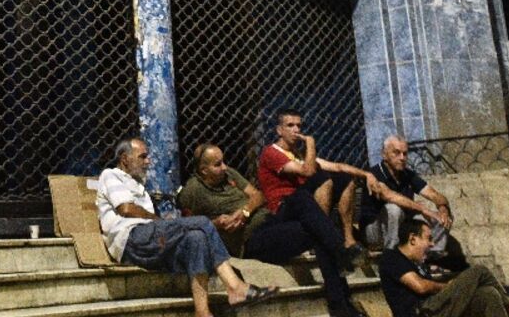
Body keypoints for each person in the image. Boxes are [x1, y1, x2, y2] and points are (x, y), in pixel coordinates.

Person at [97, 137, 278, 317]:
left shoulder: (138, 185)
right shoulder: (111, 175)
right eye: (142, 156)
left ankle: (202, 311)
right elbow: (126, 208)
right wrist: (160, 221)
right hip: (130, 239)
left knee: (196, 239)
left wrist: (160, 225)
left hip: (149, 241)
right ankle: (235, 286)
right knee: (202, 222)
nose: (148, 161)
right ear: (124, 159)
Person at [180, 142, 360, 317]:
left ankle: (341, 257)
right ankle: (340, 290)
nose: (225, 166)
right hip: (251, 240)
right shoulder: (192, 191)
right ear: (204, 170)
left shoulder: (230, 175)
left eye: (224, 161)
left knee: (302, 198)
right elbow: (188, 225)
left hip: (268, 220)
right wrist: (217, 223)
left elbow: (259, 195)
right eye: (218, 164)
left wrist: (244, 212)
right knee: (316, 230)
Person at [257, 108, 371, 266]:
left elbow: (337, 167)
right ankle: (320, 238)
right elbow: (308, 171)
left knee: (345, 179)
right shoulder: (271, 153)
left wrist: (367, 175)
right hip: (284, 207)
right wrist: (311, 144)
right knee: (322, 179)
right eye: (290, 125)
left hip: (305, 204)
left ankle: (348, 238)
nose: (296, 130)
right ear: (279, 130)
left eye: (298, 125)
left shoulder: (299, 154)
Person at [379, 218, 509, 317]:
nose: (432, 244)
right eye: (428, 239)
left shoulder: (419, 264)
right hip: (421, 312)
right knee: (479, 271)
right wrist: (451, 286)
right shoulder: (391, 258)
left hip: (436, 308)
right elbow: (420, 286)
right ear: (412, 239)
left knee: (488, 294)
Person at [360, 134, 467, 271]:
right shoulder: (374, 174)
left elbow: (435, 195)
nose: (402, 158)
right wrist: (424, 210)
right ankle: (391, 258)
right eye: (397, 153)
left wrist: (442, 209)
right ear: (384, 155)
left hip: (401, 227)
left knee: (439, 217)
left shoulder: (407, 174)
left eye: (405, 153)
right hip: (374, 232)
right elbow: (391, 196)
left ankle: (431, 258)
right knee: (393, 209)